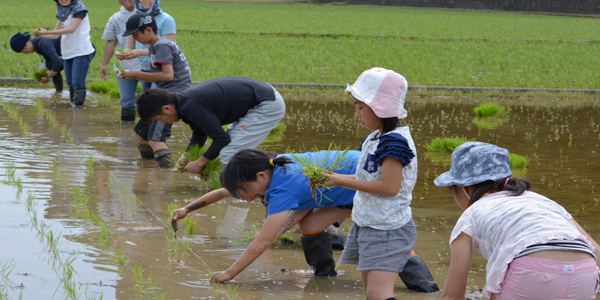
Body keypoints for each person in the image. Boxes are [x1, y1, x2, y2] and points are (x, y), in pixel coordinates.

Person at [434, 142, 600, 300]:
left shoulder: (471, 215)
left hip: (530, 272)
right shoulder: (544, 201)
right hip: (585, 272)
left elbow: (453, 295)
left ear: (465, 188)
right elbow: (596, 250)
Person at [171, 148, 360, 282]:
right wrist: (187, 209)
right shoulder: (278, 165)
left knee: (308, 224)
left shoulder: (282, 188)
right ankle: (324, 276)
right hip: (346, 185)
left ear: (261, 176)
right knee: (310, 224)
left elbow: (263, 242)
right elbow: (222, 192)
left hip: (362, 183)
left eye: (241, 190)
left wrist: (229, 273)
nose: (239, 196)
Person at [324, 67, 417, 300]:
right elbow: (368, 179)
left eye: (360, 107)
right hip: (368, 223)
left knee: (377, 293)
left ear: (380, 107)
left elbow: (389, 187)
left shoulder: (394, 143)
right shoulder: (375, 138)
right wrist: (333, 180)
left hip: (388, 229)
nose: (357, 114)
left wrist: (338, 180)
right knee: (370, 292)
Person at [135, 76, 285, 172]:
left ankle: (237, 193)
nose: (162, 122)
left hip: (266, 104)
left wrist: (200, 162)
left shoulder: (190, 106)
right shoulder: (184, 104)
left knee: (229, 153)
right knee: (232, 147)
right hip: (261, 99)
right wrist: (187, 155)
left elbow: (221, 139)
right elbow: (200, 133)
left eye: (159, 119)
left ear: (166, 108)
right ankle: (266, 170)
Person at [118, 12, 191, 167]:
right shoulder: (154, 48)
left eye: (136, 34)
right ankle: (149, 166)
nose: (135, 39)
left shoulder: (162, 46)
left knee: (155, 138)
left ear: (149, 30)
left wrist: (136, 73)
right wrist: (132, 76)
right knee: (140, 131)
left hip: (172, 97)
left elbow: (168, 75)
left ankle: (167, 174)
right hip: (164, 93)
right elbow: (156, 77)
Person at [34, 0, 95, 106]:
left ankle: (78, 112)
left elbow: (71, 29)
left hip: (81, 51)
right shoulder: (62, 11)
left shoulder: (79, 9)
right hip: (68, 52)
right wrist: (41, 35)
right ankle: (74, 109)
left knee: (77, 83)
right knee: (70, 83)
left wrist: (48, 32)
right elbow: (55, 35)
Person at [100, 0, 141, 121]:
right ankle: (126, 134)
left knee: (150, 101)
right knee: (126, 101)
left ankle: (152, 135)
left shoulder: (147, 14)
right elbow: (111, 41)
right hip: (125, 64)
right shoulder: (116, 18)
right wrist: (104, 64)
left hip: (147, 65)